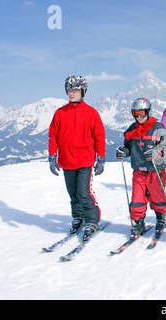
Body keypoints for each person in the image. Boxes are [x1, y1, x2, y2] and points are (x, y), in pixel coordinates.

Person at [48, 75, 106, 241]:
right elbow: (53, 135)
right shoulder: (60, 113)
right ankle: (78, 217)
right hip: (66, 161)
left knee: (83, 192)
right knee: (73, 193)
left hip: (85, 160)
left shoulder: (91, 113)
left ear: (83, 91)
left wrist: (101, 158)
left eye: (75, 90)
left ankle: (92, 219)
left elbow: (99, 136)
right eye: (69, 90)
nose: (71, 93)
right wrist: (52, 156)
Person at [116, 98, 166, 237]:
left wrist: (157, 152)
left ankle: (160, 218)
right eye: (135, 114)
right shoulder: (132, 129)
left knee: (157, 197)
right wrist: (124, 152)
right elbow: (128, 146)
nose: (139, 117)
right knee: (137, 199)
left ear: (148, 112)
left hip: (155, 170)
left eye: (141, 113)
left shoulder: (158, 127)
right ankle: (138, 222)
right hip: (139, 170)